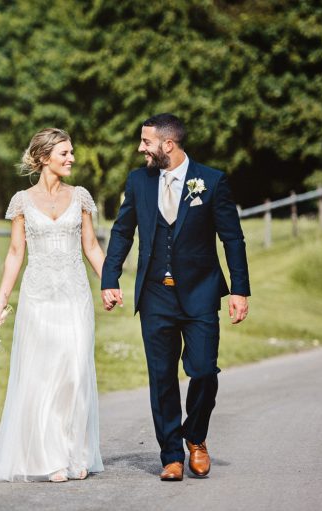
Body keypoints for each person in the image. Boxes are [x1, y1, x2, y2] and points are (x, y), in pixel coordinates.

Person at [101, 113, 250, 481]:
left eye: (146, 142)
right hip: (154, 296)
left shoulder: (212, 181)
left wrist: (240, 289)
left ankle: (195, 438)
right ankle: (171, 455)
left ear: (168, 145)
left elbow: (232, 238)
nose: (141, 148)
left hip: (200, 293)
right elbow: (122, 232)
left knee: (202, 369)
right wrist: (110, 277)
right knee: (162, 376)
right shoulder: (138, 181)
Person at [0, 128, 105, 483]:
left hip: (75, 296)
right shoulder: (22, 201)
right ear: (43, 158)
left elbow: (92, 247)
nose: (71, 158)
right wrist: (1, 300)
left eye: (71, 153)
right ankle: (51, 456)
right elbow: (14, 254)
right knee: (44, 374)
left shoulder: (80, 197)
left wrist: (109, 283)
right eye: (64, 153)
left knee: (76, 372)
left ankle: (76, 452)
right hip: (38, 298)